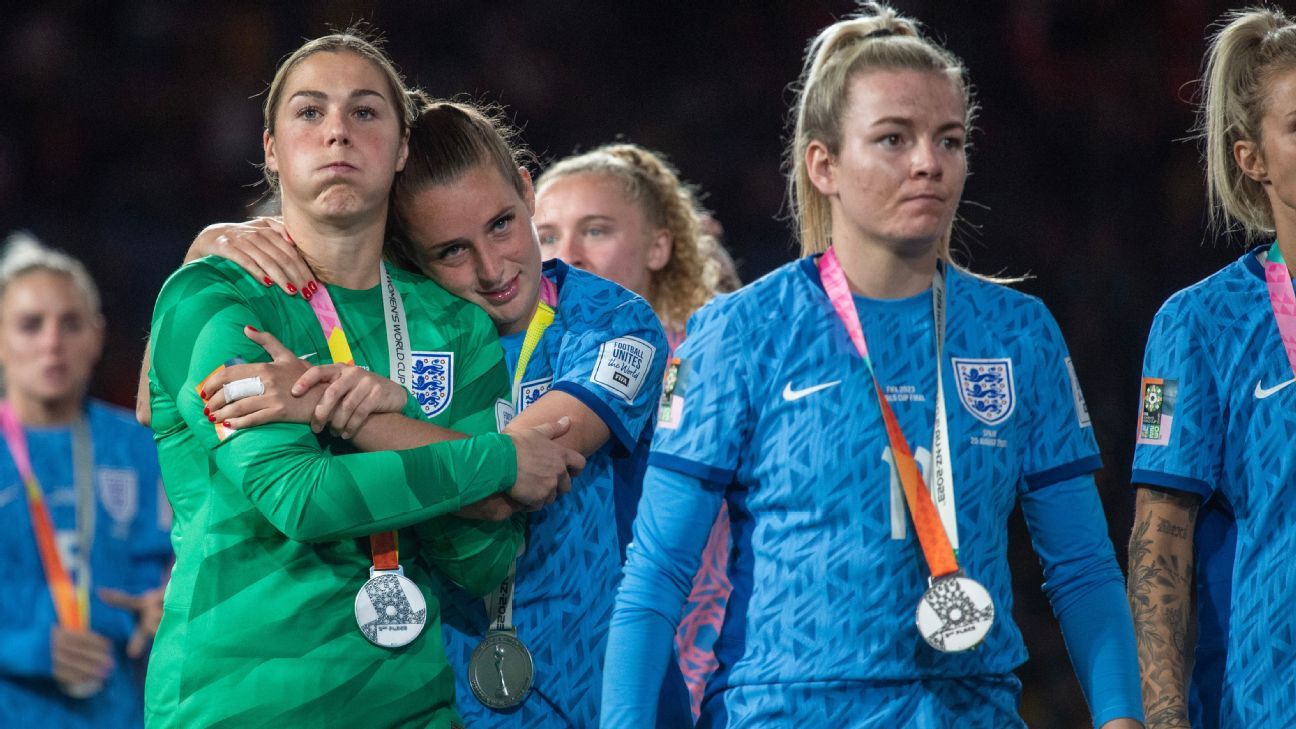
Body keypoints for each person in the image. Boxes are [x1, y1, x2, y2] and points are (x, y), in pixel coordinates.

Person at [602, 4, 1144, 727]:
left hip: (967, 710)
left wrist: (1122, 716)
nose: (929, 162)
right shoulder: (742, 332)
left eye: (949, 140)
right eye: (893, 139)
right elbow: (655, 576)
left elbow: (1080, 566)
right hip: (785, 710)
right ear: (823, 164)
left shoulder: (1018, 333)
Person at [189, 99, 677, 728]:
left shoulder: (615, 324)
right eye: (451, 251)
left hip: (597, 694)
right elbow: (154, 402)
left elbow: (513, 478)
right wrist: (204, 256)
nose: (492, 268)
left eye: (502, 224)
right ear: (408, 257)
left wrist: (330, 404)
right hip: (426, 692)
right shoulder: (395, 331)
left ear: (527, 190)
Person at [143, 34, 580, 728]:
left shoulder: (450, 323)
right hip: (237, 703)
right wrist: (499, 460)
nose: (338, 131)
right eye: (310, 113)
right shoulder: (214, 298)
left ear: (402, 149)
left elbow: (484, 552)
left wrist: (368, 420)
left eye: (366, 112)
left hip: (412, 702)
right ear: (269, 148)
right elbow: (298, 495)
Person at [1127, 7, 1296, 728]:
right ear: (1251, 158)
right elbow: (1160, 536)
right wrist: (1162, 720)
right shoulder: (1196, 325)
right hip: (1267, 703)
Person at [533, 144, 734, 716]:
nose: (567, 255)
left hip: (696, 667)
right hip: (566, 670)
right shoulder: (520, 369)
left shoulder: (708, 362)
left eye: (595, 231)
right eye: (546, 236)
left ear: (658, 247)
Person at [0, 232, 171, 728]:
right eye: (31, 325)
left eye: (70, 324)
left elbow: (186, 564)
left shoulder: (143, 447)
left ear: (96, 337)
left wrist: (169, 605)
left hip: (119, 711)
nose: (52, 342)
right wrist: (19, 646)